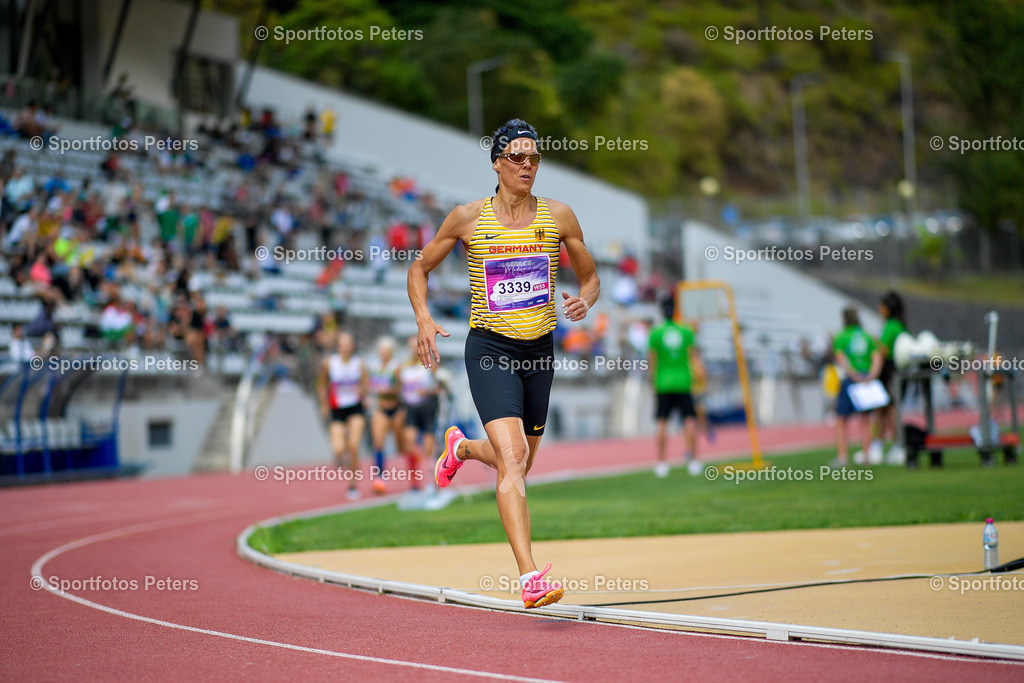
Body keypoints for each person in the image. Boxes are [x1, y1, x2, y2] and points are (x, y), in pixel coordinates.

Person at [408, 118, 600, 609]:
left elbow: (591, 276)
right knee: (513, 459)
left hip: (539, 352)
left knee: (522, 462)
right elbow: (419, 267)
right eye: (516, 157)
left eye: (534, 157)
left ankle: (464, 450)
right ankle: (529, 575)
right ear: (496, 163)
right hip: (491, 349)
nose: (527, 165)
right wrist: (424, 319)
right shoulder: (467, 218)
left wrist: (585, 300)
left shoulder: (558, 216)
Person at [648, 295, 705, 477]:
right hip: (683, 381)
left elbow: (652, 362)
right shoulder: (686, 331)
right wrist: (700, 374)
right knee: (689, 419)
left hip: (663, 382)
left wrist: (653, 382)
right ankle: (694, 461)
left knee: (662, 421)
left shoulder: (655, 333)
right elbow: (693, 357)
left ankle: (662, 463)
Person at [832, 307, 885, 468]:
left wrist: (854, 376)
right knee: (865, 419)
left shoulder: (841, 337)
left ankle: (842, 457)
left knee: (841, 419)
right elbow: (877, 357)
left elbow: (842, 360)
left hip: (850, 380)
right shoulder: (867, 336)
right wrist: (871, 376)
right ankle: (867, 456)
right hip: (866, 379)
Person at [318, 331, 368, 500]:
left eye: (348, 344)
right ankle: (345, 445)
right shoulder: (329, 363)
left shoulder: (358, 363)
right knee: (339, 449)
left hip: (355, 408)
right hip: (337, 409)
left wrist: (363, 391)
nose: (345, 347)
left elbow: (366, 386)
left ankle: (353, 485)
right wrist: (324, 404)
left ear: (352, 346)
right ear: (338, 346)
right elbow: (321, 384)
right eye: (342, 344)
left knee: (354, 447)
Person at [398, 335, 439, 491]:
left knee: (429, 446)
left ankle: (432, 479)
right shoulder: (403, 367)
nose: (413, 349)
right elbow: (399, 389)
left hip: (428, 407)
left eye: (416, 345)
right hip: (411, 409)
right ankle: (414, 479)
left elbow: (438, 388)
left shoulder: (430, 365)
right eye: (411, 346)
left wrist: (427, 390)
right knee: (409, 442)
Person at [367, 337, 404, 494]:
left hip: (396, 408)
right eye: (381, 352)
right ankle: (380, 476)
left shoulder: (396, 367)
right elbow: (369, 386)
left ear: (391, 352)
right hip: (381, 409)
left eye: (385, 352)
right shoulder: (374, 367)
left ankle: (413, 476)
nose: (383, 354)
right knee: (378, 443)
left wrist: (387, 390)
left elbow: (400, 388)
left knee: (401, 446)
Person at [877, 291, 907, 464]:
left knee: (891, 409)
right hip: (890, 371)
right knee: (885, 408)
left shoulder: (892, 325)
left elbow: (883, 350)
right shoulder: (896, 324)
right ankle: (880, 445)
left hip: (890, 371)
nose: (879, 309)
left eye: (881, 305)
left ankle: (898, 445)